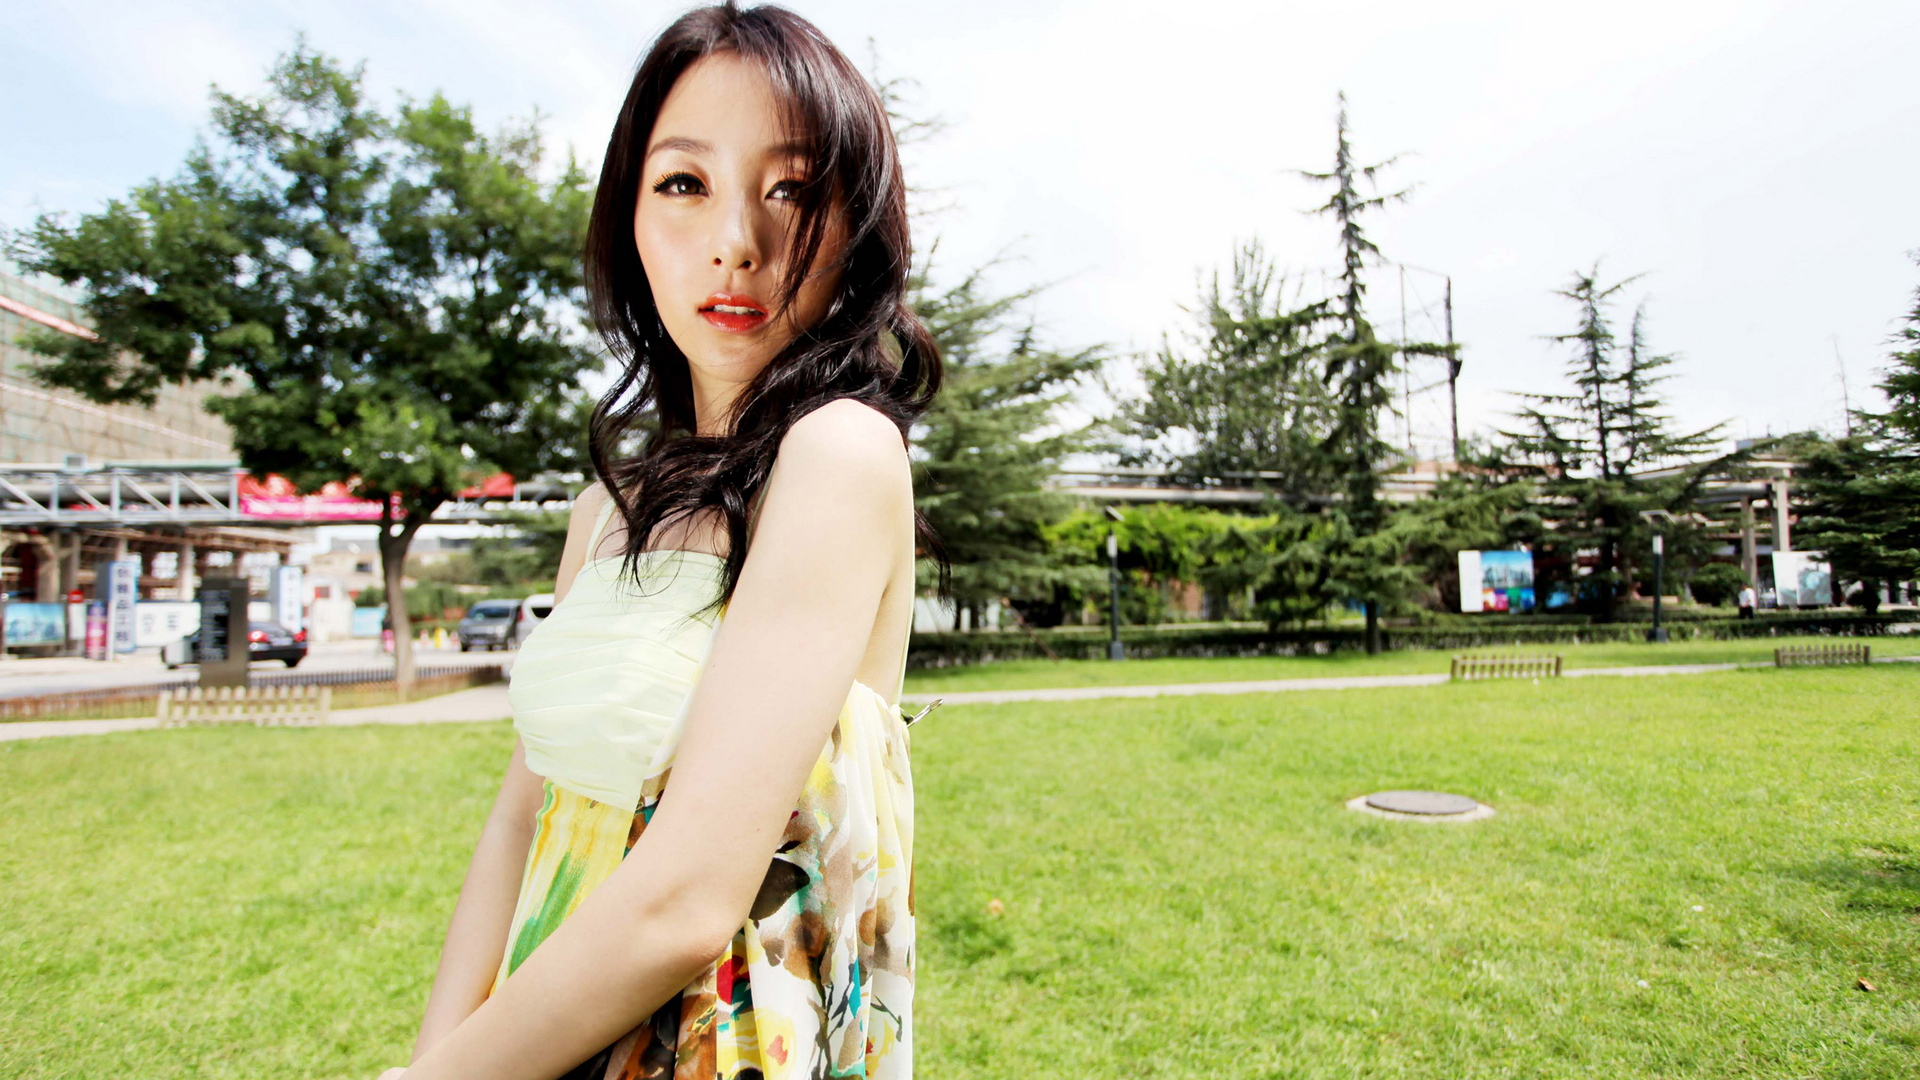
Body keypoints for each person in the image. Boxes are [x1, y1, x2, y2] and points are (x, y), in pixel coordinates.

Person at [384, 6, 939, 1078]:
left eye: (793, 190)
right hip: (534, 1035)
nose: (737, 240)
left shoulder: (838, 456)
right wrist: (435, 1056)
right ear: (628, 220)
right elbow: (523, 816)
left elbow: (687, 901)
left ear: (857, 228)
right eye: (684, 182)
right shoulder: (604, 511)